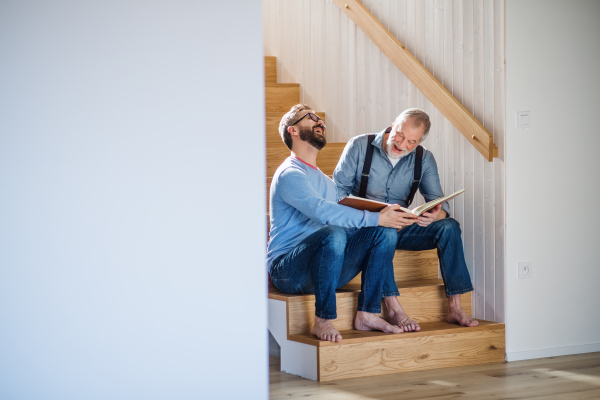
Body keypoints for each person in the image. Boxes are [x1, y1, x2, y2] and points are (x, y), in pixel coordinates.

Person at [267, 104, 418, 343]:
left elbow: (345, 215)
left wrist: (390, 216)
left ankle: (367, 313)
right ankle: (323, 319)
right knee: (334, 233)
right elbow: (323, 212)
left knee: (384, 233)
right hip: (288, 272)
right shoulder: (290, 173)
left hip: (326, 267)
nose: (320, 122)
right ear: (293, 130)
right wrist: (375, 217)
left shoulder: (327, 182)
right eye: (310, 118)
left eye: (321, 120)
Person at [333, 108, 479, 330]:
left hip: (401, 226)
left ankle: (455, 307)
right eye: (399, 135)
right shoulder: (359, 146)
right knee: (385, 232)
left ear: (419, 141)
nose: (401, 144)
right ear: (393, 124)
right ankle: (393, 308)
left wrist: (435, 214)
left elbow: (440, 203)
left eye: (411, 141)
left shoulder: (424, 158)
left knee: (449, 227)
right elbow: (337, 194)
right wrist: (374, 217)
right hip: (363, 228)